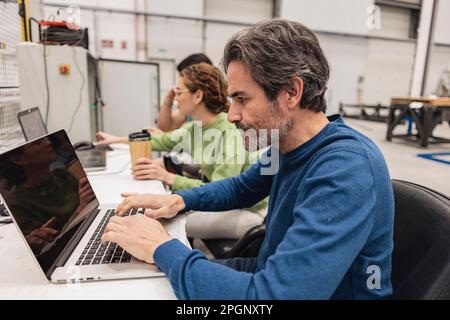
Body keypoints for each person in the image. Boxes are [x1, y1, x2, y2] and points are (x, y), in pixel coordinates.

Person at [101, 19, 395, 299]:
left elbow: (274, 296)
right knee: (150, 283)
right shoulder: (284, 148)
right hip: (269, 278)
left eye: (242, 99)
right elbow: (242, 188)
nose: (231, 116)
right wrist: (179, 201)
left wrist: (161, 247)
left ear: (291, 92)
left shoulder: (345, 168)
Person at [98, 63, 267, 240]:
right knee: (156, 216)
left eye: (179, 92)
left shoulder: (229, 131)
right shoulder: (194, 129)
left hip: (247, 210)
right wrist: (115, 140)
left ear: (198, 96)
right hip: (224, 202)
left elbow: (222, 189)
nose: (176, 99)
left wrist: (168, 177)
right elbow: (159, 140)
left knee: (163, 223)